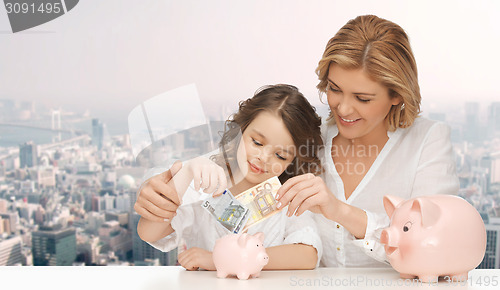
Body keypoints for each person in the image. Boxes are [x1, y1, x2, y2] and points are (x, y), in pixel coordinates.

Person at [275, 15, 459, 267]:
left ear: (396, 94)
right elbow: (244, 163)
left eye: (362, 98)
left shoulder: (428, 141)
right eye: (334, 89)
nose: (344, 109)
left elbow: (434, 246)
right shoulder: (311, 134)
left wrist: (340, 211)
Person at [135, 84, 324, 270]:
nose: (263, 158)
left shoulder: (287, 197)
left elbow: (308, 255)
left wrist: (221, 260)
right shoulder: (204, 183)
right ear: (240, 130)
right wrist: (186, 172)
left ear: (292, 162)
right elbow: (149, 233)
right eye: (257, 142)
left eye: (280, 156)